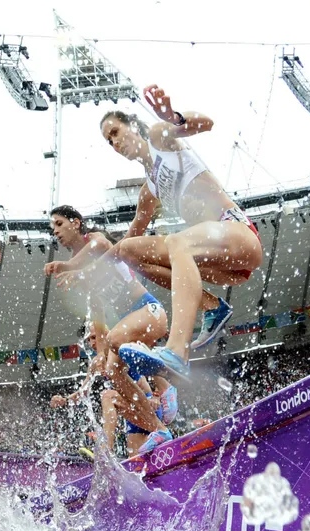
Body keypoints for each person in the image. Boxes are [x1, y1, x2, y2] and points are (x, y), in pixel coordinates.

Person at [95, 85, 263, 379]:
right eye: (109, 141)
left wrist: (173, 116)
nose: (115, 143)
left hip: (238, 234)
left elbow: (206, 123)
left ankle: (176, 351)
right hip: (216, 264)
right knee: (127, 251)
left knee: (176, 242)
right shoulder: (149, 189)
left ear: (132, 126)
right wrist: (91, 267)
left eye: (116, 132)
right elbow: (131, 236)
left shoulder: (160, 137)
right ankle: (211, 305)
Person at [44, 205, 172, 453]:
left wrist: (71, 267)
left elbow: (101, 247)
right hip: (131, 324)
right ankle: (158, 428)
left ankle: (166, 386)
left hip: (149, 312)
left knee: (117, 340)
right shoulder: (84, 273)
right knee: (112, 368)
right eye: (53, 227)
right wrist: (100, 352)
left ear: (76, 223)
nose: (55, 231)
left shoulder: (94, 240)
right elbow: (98, 312)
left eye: (59, 224)